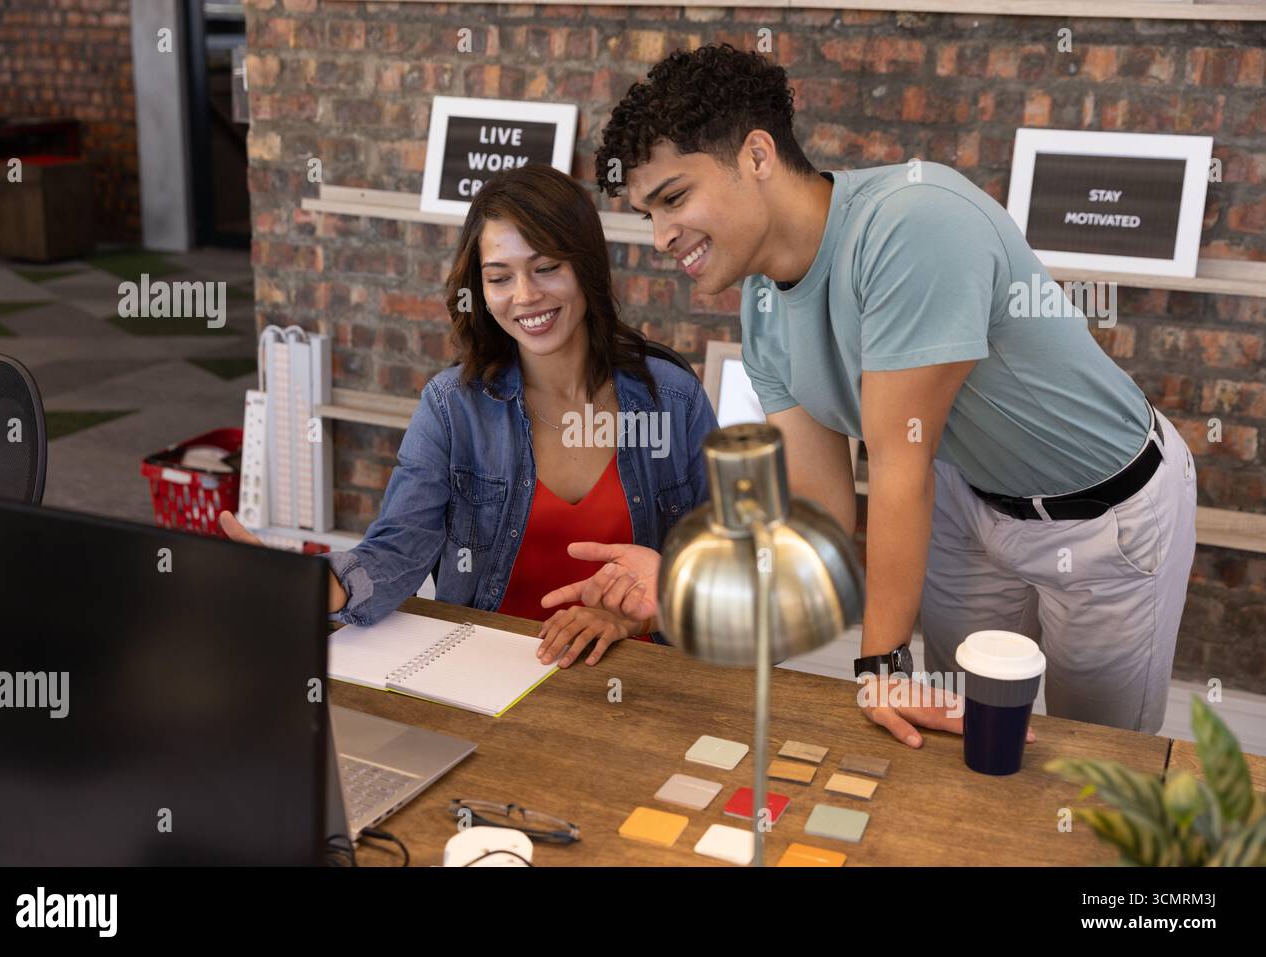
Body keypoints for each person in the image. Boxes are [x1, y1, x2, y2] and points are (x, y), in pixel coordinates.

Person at [544, 43, 1197, 739]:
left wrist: (881, 662)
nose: (662, 235)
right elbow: (818, 515)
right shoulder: (762, 306)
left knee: (1097, 759)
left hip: (1106, 512)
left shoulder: (912, 223)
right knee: (963, 732)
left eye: (674, 198)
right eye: (648, 214)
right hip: (966, 500)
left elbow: (898, 464)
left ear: (757, 156)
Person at [222, 163, 718, 668]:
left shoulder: (672, 400)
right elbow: (397, 550)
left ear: (586, 267)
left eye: (546, 268)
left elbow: (724, 564)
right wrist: (302, 584)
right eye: (500, 277)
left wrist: (636, 616)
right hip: (483, 676)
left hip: (639, 679)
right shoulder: (451, 407)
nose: (525, 296)